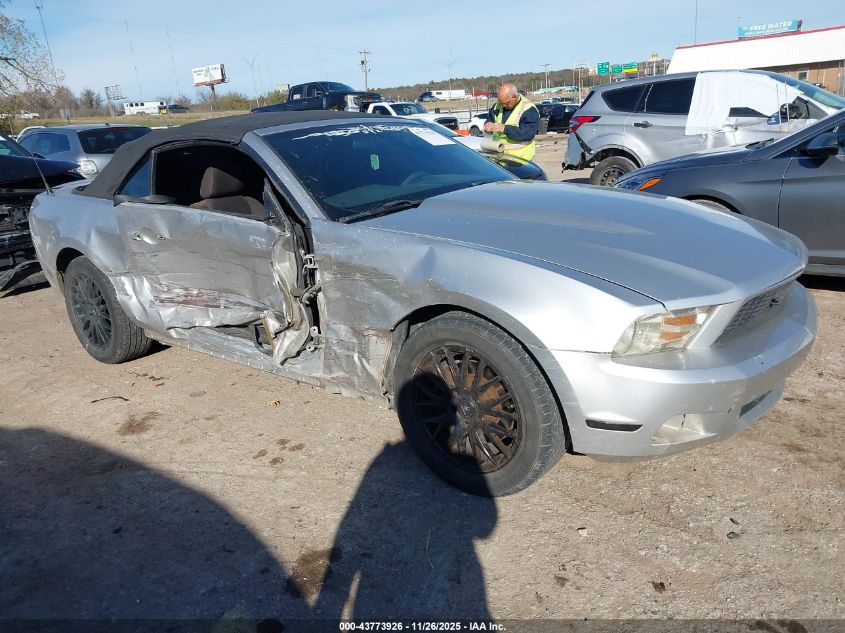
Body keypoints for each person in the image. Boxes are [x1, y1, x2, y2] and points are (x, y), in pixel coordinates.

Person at [483, 83, 540, 161]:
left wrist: (505, 129)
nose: (503, 106)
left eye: (506, 103)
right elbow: (490, 118)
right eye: (500, 102)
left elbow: (527, 134)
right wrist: (488, 124)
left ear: (514, 97)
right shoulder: (498, 105)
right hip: (499, 157)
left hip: (520, 160)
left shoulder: (529, 110)